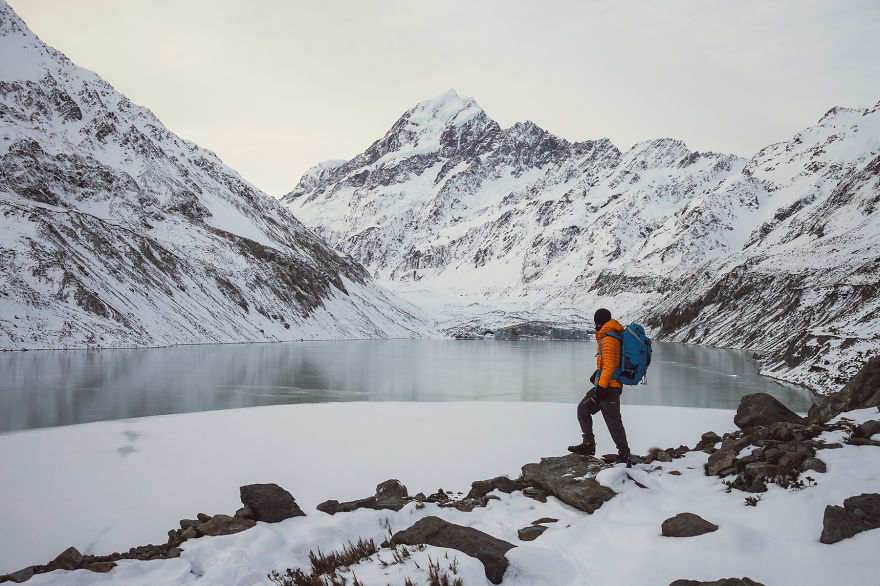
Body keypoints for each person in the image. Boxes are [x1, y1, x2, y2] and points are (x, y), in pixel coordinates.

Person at [568, 308, 632, 467]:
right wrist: (597, 375)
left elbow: (610, 365)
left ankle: (624, 455)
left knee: (613, 421)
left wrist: (601, 386)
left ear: (599, 322)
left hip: (609, 388)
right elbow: (609, 363)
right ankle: (589, 445)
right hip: (606, 384)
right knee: (583, 409)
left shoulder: (609, 338)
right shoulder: (610, 335)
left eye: (596, 321)